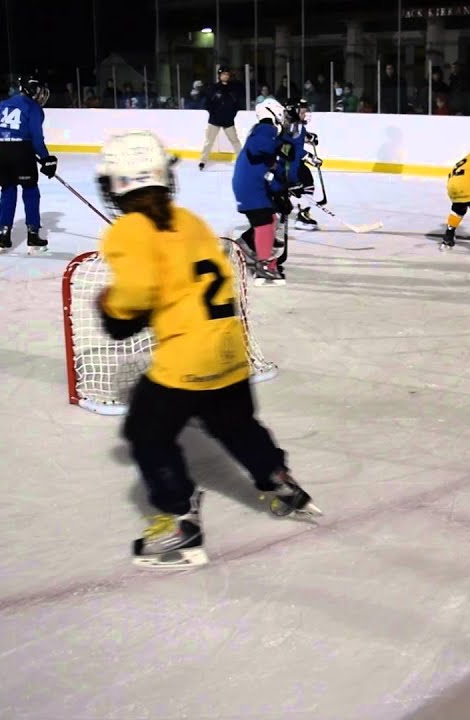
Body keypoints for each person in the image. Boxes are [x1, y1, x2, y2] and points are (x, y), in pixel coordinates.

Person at [93, 130, 319, 569]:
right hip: (230, 352)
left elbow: (136, 295)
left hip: (186, 361)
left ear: (116, 186)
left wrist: (112, 308)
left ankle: (179, 523)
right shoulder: (189, 220)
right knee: (236, 425)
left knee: (146, 432)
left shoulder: (128, 229)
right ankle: (276, 476)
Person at [0, 75, 56, 254]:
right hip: (20, 152)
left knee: (8, 190)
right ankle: (33, 234)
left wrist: (13, 144)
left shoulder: (3, 104)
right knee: (30, 190)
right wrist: (46, 159)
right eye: (40, 91)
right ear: (33, 91)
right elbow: (36, 139)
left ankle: (4, 235)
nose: (41, 96)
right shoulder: (33, 107)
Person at [231, 98, 290, 285]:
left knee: (270, 218)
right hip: (250, 187)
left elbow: (267, 165)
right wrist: (280, 146)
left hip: (251, 185)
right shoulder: (265, 130)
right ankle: (264, 265)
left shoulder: (267, 133)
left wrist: (279, 189)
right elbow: (259, 150)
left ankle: (247, 246)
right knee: (264, 221)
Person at [282, 99, 322, 230]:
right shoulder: (293, 125)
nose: (305, 115)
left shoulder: (293, 124)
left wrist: (309, 137)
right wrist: (310, 157)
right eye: (303, 112)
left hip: (290, 162)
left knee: (302, 181)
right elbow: (292, 148)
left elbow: (296, 139)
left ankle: (284, 213)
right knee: (305, 182)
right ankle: (302, 216)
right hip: (288, 164)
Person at [199, 69, 243, 170]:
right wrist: (213, 113)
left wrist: (232, 114)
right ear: (219, 75)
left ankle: (241, 160)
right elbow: (207, 103)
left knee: (235, 141)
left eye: (227, 74)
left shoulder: (233, 88)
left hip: (228, 121)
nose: (225, 76)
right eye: (223, 74)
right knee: (209, 141)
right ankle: (203, 160)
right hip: (214, 120)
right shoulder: (214, 88)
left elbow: (237, 103)